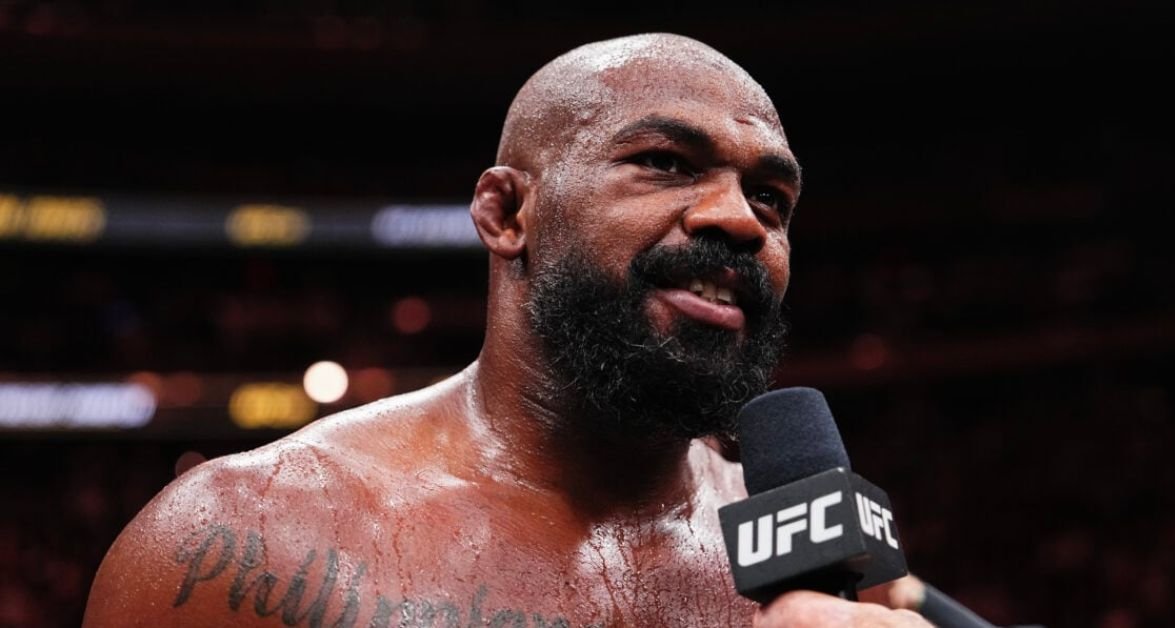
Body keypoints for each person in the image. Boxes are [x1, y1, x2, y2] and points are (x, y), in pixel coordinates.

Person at [84, 33, 929, 627]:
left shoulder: (823, 568)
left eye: (770, 198)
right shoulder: (243, 542)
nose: (739, 219)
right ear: (506, 212)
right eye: (665, 163)